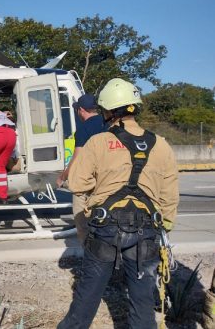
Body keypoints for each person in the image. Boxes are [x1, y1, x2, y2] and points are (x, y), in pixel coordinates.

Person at [58, 78, 179, 329]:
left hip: (106, 229)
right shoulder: (162, 145)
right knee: (142, 303)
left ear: (108, 112)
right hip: (147, 231)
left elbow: (77, 184)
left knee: (86, 299)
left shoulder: (98, 142)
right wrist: (164, 226)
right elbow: (169, 196)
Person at [56, 93, 106, 244]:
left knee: (81, 219)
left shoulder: (84, 128)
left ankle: (88, 253)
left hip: (89, 179)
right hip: (108, 178)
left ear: (81, 110)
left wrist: (63, 176)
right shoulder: (109, 123)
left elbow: (78, 158)